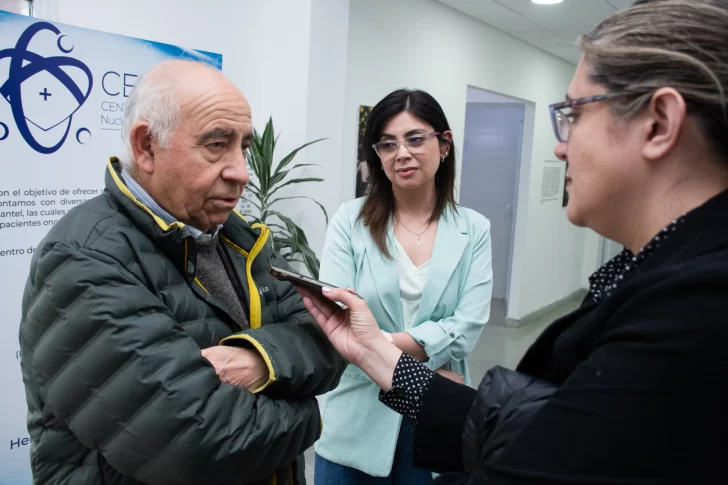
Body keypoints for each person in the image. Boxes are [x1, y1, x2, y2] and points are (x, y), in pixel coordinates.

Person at [300, 0, 728, 483]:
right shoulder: (659, 275)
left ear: (659, 123)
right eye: (387, 144)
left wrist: (380, 347)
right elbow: (549, 428)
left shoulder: (695, 307)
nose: (559, 145)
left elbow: (553, 451)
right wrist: (373, 352)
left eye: (573, 114)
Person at [18, 60, 345, 485]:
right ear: (146, 146)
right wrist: (312, 415)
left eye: (243, 147)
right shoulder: (83, 258)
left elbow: (326, 334)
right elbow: (200, 445)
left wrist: (258, 361)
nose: (242, 173)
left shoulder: (234, 234)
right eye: (216, 144)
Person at [314, 89, 493, 484]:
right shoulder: (350, 221)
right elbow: (337, 316)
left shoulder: (474, 229)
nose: (402, 154)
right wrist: (415, 351)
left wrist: (376, 343)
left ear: (444, 144)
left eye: (415, 139)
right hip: (357, 411)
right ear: (376, 155)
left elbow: (467, 327)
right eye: (387, 144)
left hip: (434, 409)